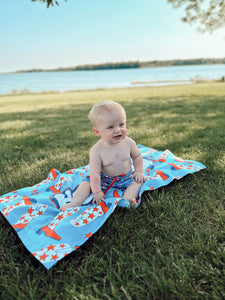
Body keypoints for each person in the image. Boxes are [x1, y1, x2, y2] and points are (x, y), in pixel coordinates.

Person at [60, 100, 145, 211]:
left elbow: (137, 156)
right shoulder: (97, 150)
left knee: (138, 181)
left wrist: (138, 171)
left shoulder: (129, 143)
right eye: (110, 127)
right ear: (97, 132)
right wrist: (97, 192)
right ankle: (75, 202)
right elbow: (95, 174)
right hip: (103, 179)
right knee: (86, 182)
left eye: (121, 124)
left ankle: (128, 199)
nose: (118, 130)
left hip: (126, 177)